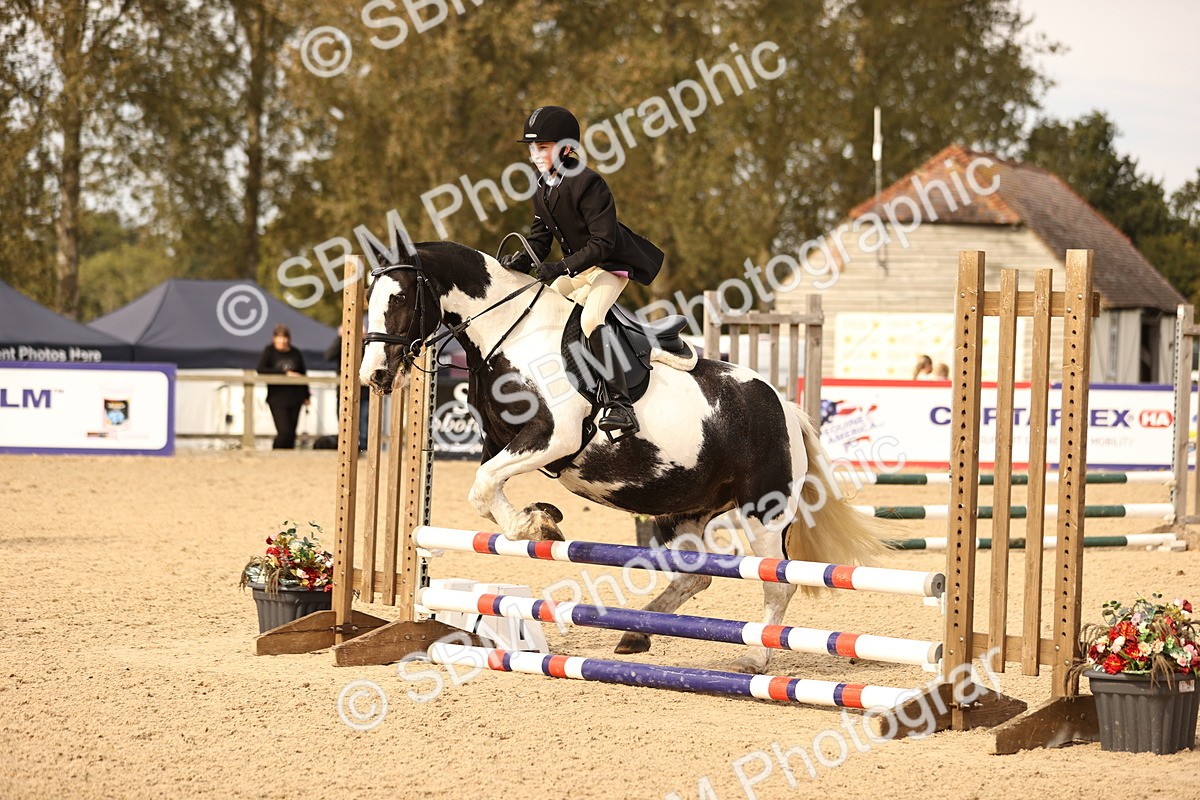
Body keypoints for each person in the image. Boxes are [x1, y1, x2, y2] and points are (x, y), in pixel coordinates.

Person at [501, 105, 664, 436]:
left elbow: (603, 243)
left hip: (609, 267)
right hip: (578, 269)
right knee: (545, 304)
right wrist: (524, 260)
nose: (535, 155)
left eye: (543, 147)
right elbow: (540, 239)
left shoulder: (589, 183)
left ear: (566, 148)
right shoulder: (541, 185)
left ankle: (620, 404)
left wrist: (560, 267)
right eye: (532, 148)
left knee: (591, 319)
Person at [257, 324, 310, 449]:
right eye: (279, 338)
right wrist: (284, 373)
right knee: (284, 432)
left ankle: (288, 457)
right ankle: (276, 453)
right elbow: (261, 369)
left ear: (288, 339)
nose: (282, 341)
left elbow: (303, 374)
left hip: (295, 397)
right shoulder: (269, 351)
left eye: (284, 338)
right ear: (274, 339)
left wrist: (306, 396)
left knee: (291, 433)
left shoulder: (295, 353)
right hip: (277, 398)